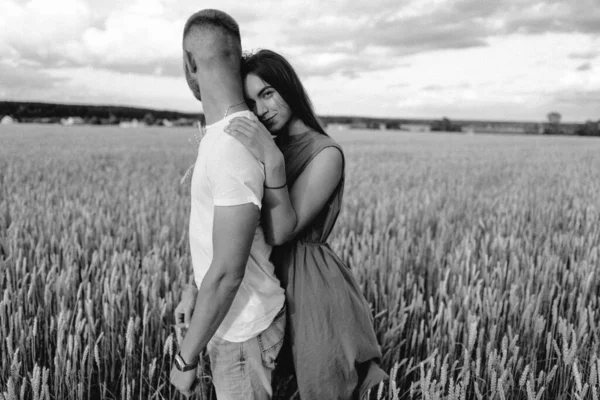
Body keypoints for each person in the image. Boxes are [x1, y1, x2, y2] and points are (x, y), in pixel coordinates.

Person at [176, 49, 388, 399]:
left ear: (290, 87)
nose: (261, 110)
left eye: (267, 93)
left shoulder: (326, 154)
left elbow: (280, 231)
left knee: (316, 380)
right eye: (251, 101)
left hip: (309, 284)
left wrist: (272, 160)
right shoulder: (264, 144)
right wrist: (195, 286)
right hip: (263, 277)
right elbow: (225, 227)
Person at [170, 10, 286, 400]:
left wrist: (184, 360)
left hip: (244, 334)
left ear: (189, 63)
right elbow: (217, 241)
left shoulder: (232, 144)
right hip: (233, 324)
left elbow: (228, 273)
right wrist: (195, 289)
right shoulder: (226, 136)